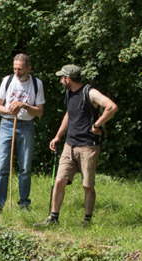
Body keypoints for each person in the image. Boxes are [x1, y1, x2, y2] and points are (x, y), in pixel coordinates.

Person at [35, 64, 118, 226]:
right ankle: (53, 218)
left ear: (68, 79)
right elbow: (69, 114)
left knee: (87, 185)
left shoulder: (90, 92)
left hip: (88, 146)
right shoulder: (69, 93)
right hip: (69, 145)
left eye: (62, 78)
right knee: (59, 180)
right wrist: (58, 136)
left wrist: (97, 125)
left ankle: (87, 221)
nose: (60, 81)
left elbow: (112, 107)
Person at [0, 53, 45, 215]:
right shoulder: (7, 81)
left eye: (20, 69)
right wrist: (9, 110)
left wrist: (24, 106)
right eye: (15, 68)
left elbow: (39, 112)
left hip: (26, 126)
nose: (17, 72)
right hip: (7, 124)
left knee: (25, 168)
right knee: (2, 166)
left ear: (29, 68)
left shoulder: (37, 84)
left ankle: (24, 204)